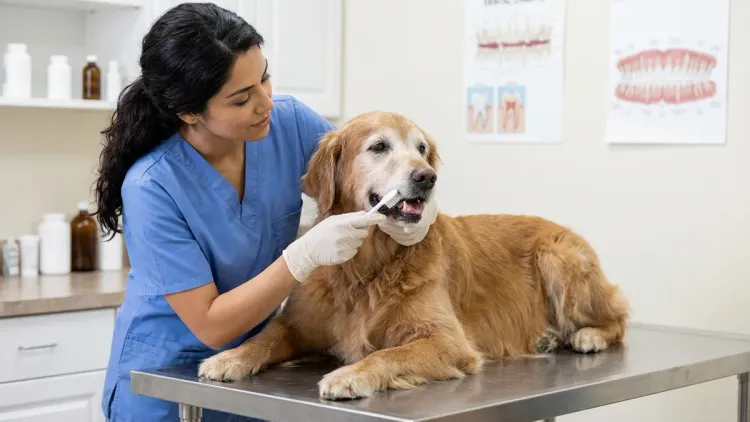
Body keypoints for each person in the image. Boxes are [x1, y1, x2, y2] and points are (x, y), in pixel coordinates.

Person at [94, 3, 437, 421]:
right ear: (189, 113)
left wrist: (414, 214)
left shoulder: (287, 122)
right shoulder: (153, 187)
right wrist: (302, 256)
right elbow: (212, 324)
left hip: (253, 372)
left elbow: (365, 170)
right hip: (166, 382)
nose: (265, 104)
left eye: (265, 78)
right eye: (242, 99)